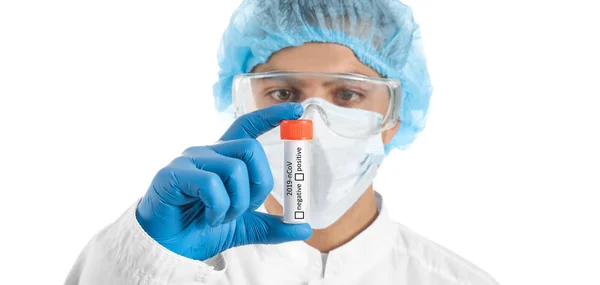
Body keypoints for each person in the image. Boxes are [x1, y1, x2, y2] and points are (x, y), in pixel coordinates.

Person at [65, 0, 499, 284]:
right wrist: (142, 257)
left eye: (347, 94)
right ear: (245, 106)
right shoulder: (172, 270)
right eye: (283, 93)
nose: (309, 122)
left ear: (392, 119)